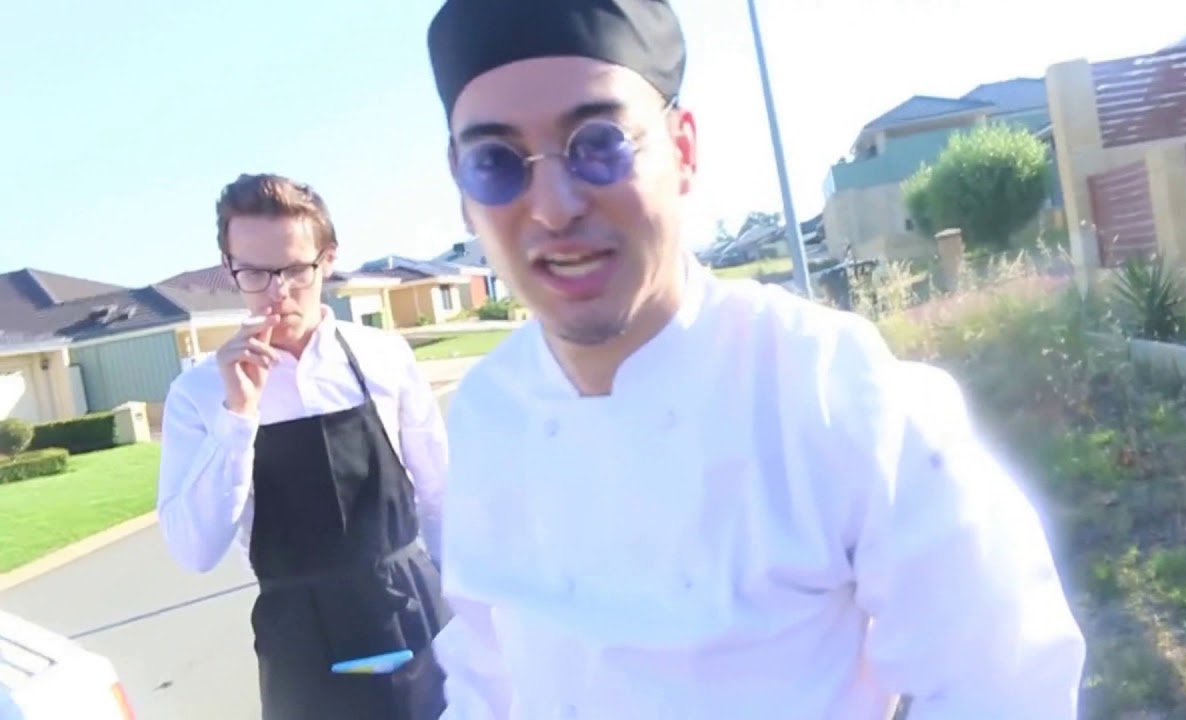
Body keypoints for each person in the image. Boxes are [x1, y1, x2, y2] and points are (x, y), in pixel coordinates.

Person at [425, 1, 1087, 718]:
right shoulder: (489, 410)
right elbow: (485, 674)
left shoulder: (829, 387)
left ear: (682, 149)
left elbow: (1001, 681)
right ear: (460, 188)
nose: (554, 207)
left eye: (598, 144)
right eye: (495, 164)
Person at [155, 173, 450, 719]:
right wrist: (237, 416)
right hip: (300, 648)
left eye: (294, 270)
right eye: (254, 273)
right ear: (228, 267)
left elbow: (440, 498)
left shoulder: (384, 357)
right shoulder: (198, 393)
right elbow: (195, 552)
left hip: (420, 619)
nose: (277, 292)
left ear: (327, 259)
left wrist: (476, 620)